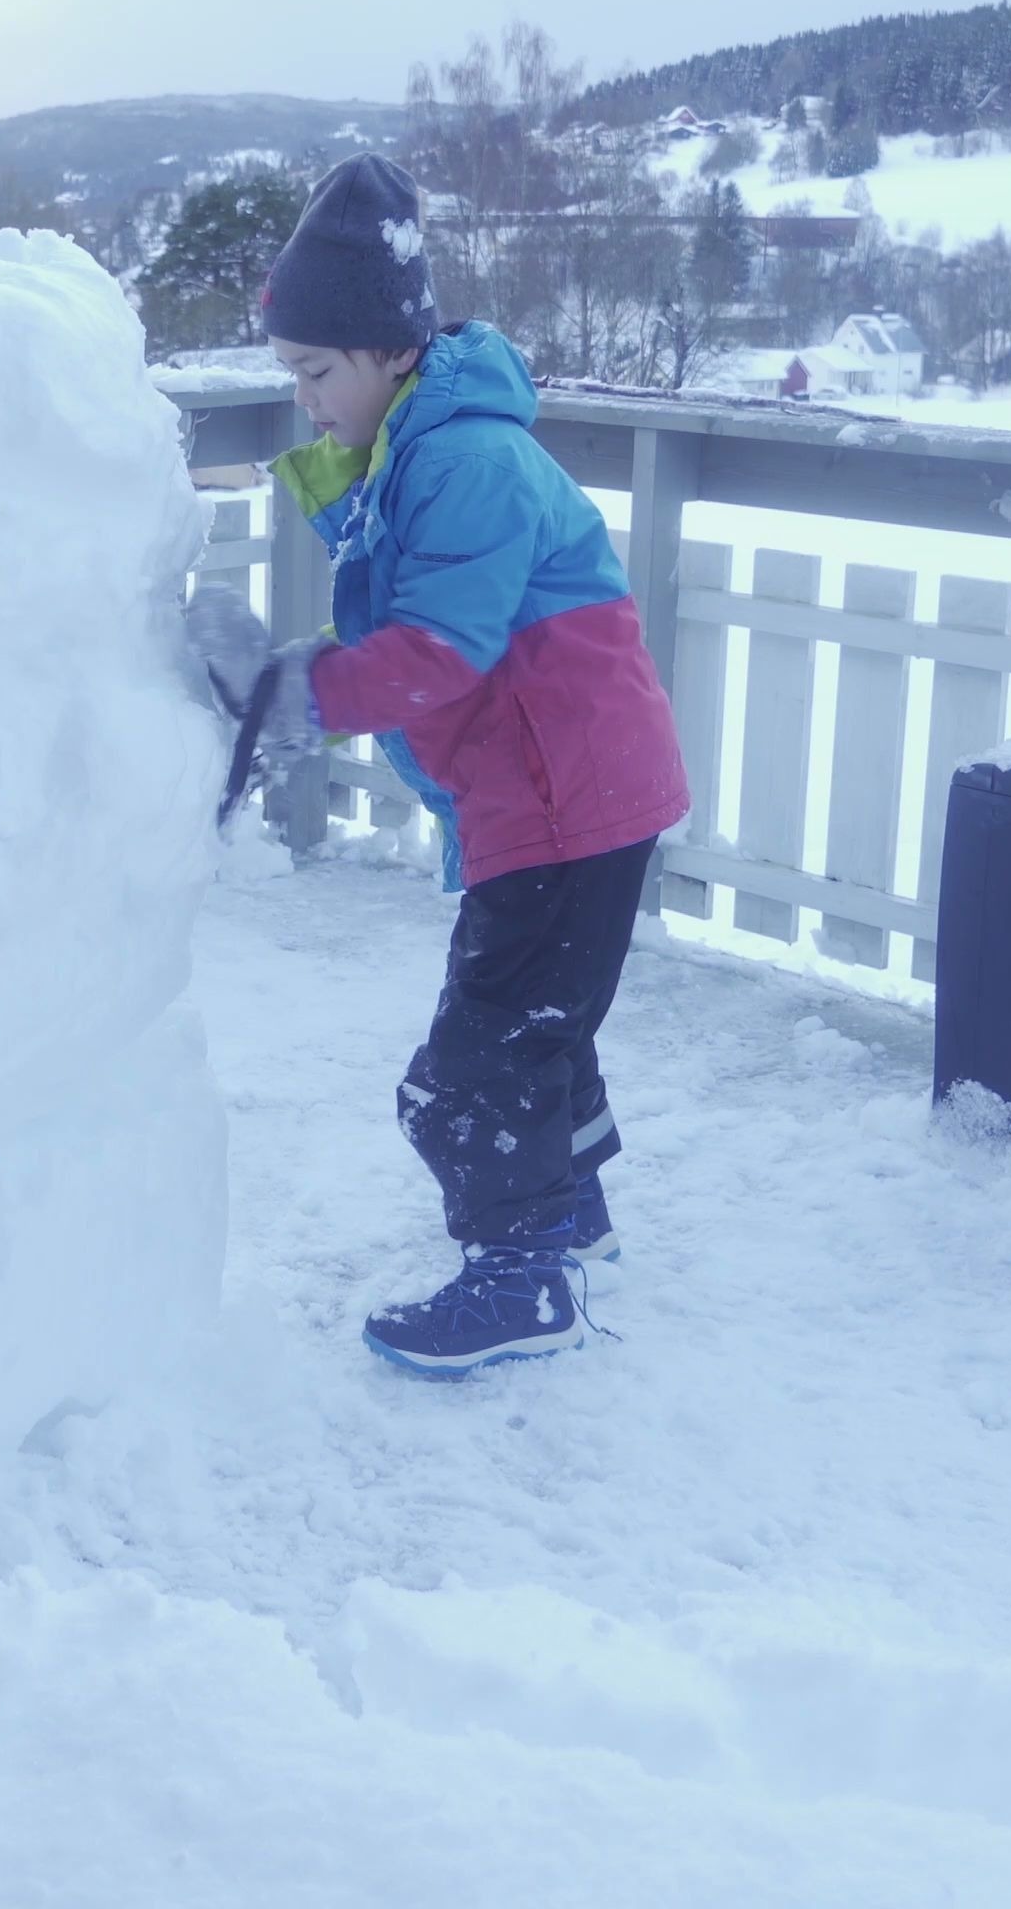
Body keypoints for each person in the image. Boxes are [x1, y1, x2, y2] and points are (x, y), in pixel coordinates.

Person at [186, 153, 690, 1376]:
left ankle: (523, 1282)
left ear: (388, 352)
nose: (302, 399)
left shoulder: (466, 462)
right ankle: (566, 1219)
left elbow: (436, 650)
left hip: (568, 802)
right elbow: (396, 570)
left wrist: (289, 692)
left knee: (472, 1063)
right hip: (565, 795)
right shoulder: (428, 447)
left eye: (314, 373)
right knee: (539, 1024)